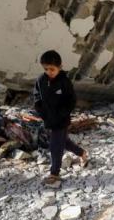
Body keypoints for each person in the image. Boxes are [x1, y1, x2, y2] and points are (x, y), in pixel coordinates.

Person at [33, 50, 87, 186]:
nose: (49, 72)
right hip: (48, 119)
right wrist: (41, 111)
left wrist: (63, 113)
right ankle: (82, 153)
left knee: (55, 145)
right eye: (46, 69)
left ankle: (54, 173)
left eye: (52, 69)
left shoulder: (64, 81)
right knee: (64, 142)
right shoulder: (41, 80)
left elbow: (71, 100)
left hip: (62, 119)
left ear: (60, 67)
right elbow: (36, 96)